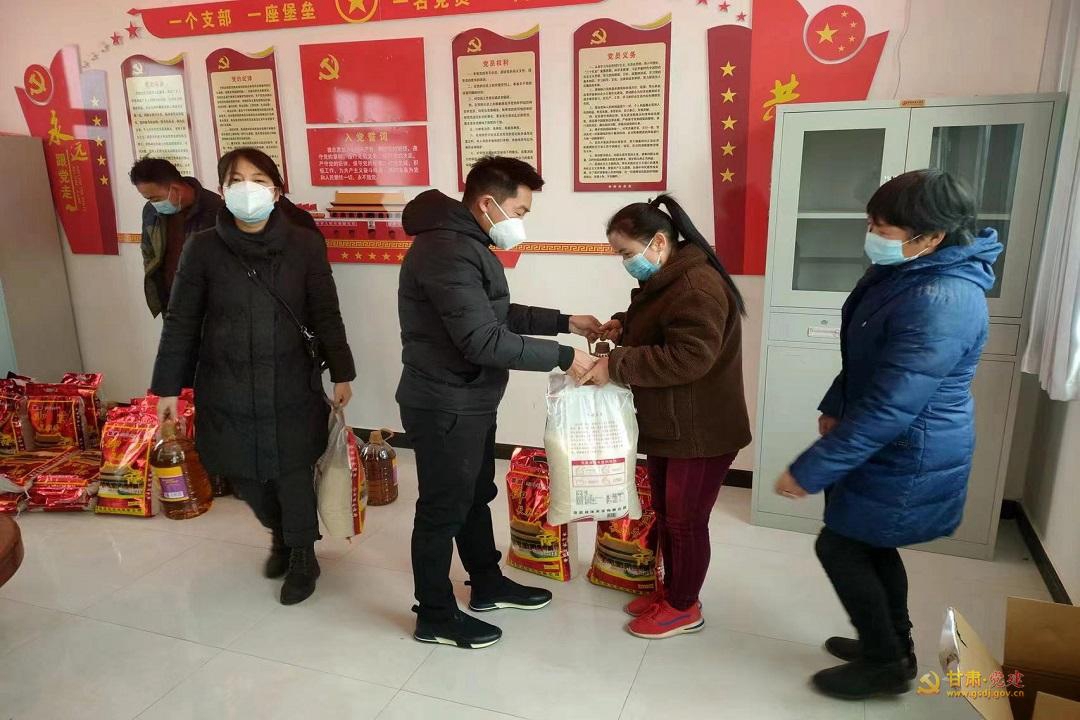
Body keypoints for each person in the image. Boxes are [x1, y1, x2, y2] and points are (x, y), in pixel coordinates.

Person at [773, 169, 1002, 700]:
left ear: (932, 237)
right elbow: (865, 355)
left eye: (883, 227)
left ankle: (884, 663)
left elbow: (892, 405)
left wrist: (811, 468)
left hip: (909, 449)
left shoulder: (941, 298)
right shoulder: (905, 272)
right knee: (870, 544)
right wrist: (835, 406)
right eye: (871, 223)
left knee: (842, 547)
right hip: (887, 441)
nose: (872, 235)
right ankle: (893, 646)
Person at [397, 155, 601, 649]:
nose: (522, 222)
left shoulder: (465, 241)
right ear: (488, 204)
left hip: (468, 396)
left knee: (473, 496)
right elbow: (482, 340)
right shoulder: (447, 249)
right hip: (445, 402)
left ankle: (486, 583)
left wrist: (565, 321)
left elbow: (496, 312)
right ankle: (435, 615)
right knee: (443, 508)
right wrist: (565, 357)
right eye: (521, 210)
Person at [151, 147, 355, 606]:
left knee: (292, 469)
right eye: (236, 180)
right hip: (226, 382)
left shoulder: (304, 244)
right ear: (222, 191)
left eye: (259, 179)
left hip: (291, 379)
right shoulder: (203, 248)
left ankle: (301, 553)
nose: (248, 189)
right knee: (242, 473)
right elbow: (181, 320)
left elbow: (326, 312)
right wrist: (167, 387)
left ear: (277, 191)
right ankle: (280, 531)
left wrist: (342, 372)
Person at [582, 195, 752, 640]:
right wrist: (623, 324)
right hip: (671, 424)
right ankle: (672, 591)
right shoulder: (668, 277)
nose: (624, 262)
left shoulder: (695, 286)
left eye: (625, 252)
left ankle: (683, 606)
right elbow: (662, 321)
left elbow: (688, 357)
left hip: (700, 430)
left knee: (686, 521)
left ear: (658, 242)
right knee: (667, 514)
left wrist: (616, 364)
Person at [130, 157, 222, 318]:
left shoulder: (216, 209)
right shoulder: (151, 211)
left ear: (176, 188)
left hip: (210, 307)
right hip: (171, 304)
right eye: (148, 199)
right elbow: (148, 250)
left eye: (155, 198)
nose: (153, 203)